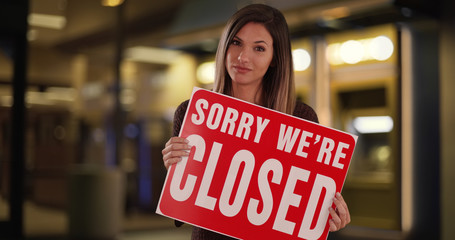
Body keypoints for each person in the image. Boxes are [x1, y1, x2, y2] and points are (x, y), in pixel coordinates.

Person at [162, 3, 350, 239]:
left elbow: (301, 212)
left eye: (259, 48)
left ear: (274, 58)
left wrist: (327, 215)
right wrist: (175, 170)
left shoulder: (300, 119)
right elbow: (183, 213)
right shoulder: (194, 113)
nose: (242, 57)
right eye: (236, 42)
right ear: (224, 45)